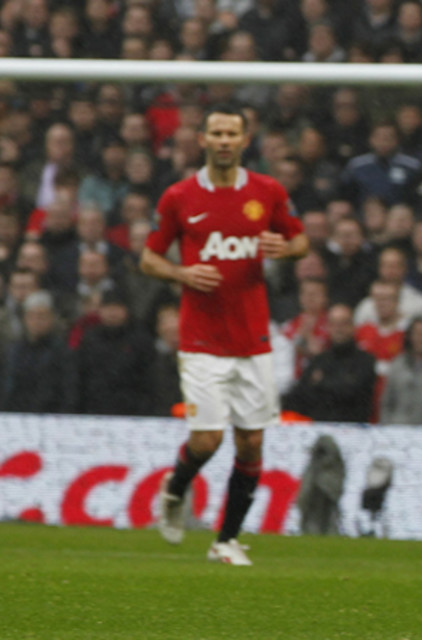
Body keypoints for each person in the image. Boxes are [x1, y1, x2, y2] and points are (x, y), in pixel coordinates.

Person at [140, 104, 308, 566]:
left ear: (244, 140)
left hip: (252, 339)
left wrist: (286, 248)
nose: (224, 140)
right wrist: (182, 273)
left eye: (231, 133)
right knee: (207, 440)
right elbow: (148, 258)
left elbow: (301, 240)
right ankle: (175, 488)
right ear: (203, 139)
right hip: (201, 341)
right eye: (216, 132)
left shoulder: (267, 192)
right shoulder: (179, 197)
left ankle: (226, 540)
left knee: (252, 441)